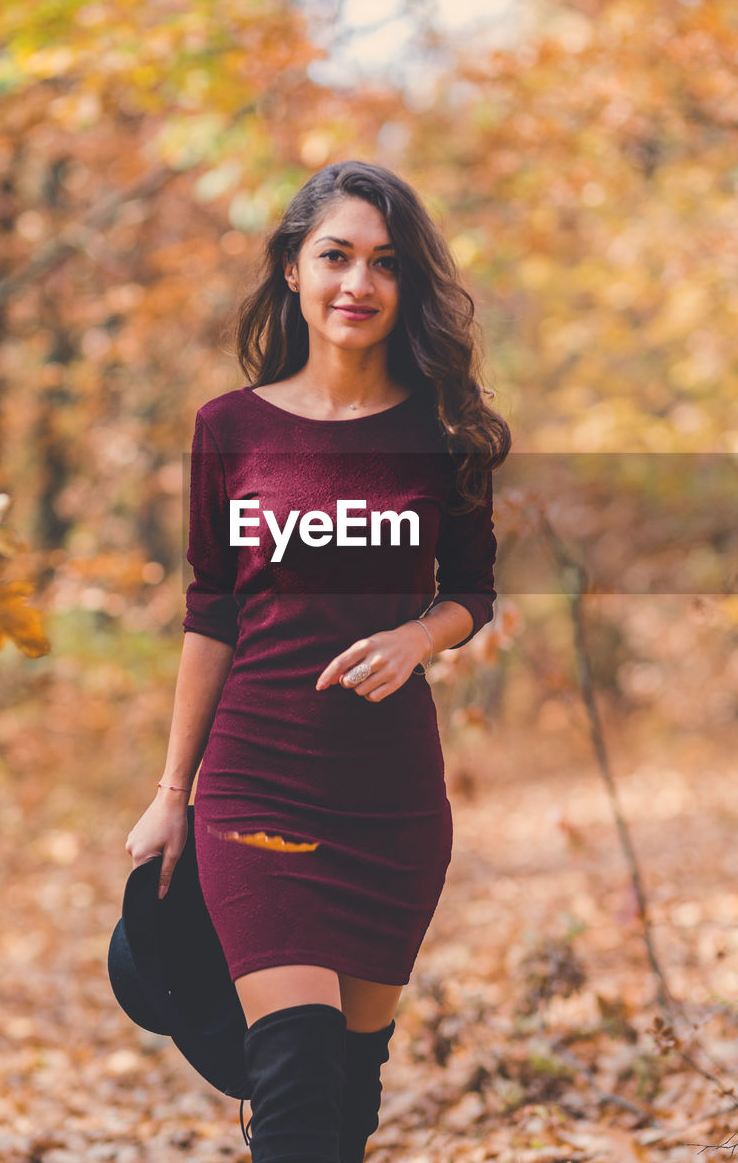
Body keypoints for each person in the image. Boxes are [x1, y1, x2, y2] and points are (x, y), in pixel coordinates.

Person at [125, 160, 511, 1161]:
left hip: (391, 800)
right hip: (258, 782)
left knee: (347, 1091)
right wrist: (175, 791)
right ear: (293, 270)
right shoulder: (229, 428)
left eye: (384, 264)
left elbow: (475, 587)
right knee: (293, 1080)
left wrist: (417, 635)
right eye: (335, 255)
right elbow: (210, 611)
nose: (358, 283)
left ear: (407, 285)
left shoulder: (442, 432)